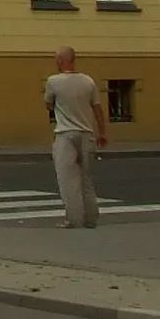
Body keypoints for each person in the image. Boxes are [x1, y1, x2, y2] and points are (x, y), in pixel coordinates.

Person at [43, 45, 108, 227]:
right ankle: (91, 217)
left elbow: (48, 104)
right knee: (85, 177)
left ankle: (73, 218)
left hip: (65, 134)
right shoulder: (88, 81)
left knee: (67, 178)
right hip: (86, 133)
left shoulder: (53, 81)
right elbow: (98, 109)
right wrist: (102, 132)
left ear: (60, 61)